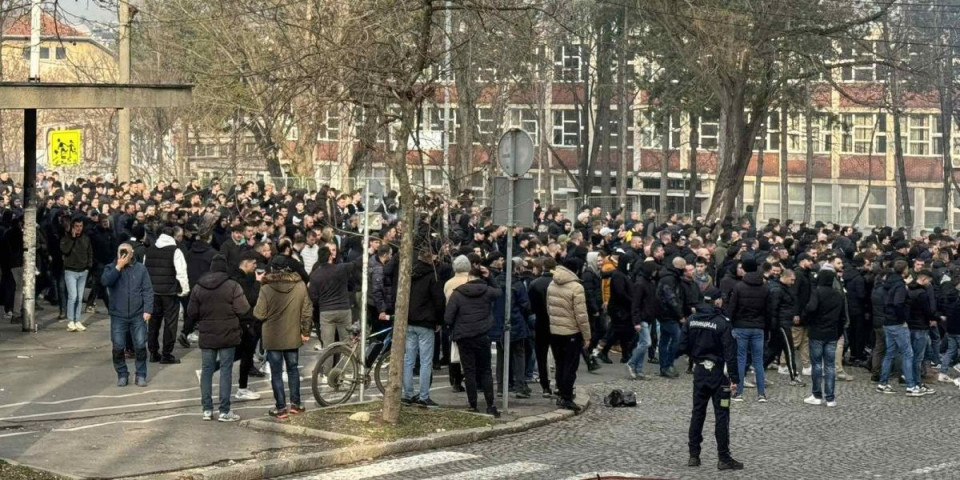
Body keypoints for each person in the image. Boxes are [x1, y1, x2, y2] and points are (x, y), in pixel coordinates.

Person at [678, 287, 742, 471]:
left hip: (699, 372)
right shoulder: (722, 322)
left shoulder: (691, 320)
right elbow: (730, 353)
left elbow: (682, 346)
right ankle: (723, 457)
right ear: (717, 301)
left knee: (698, 412)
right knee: (722, 414)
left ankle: (693, 455)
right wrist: (735, 378)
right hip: (719, 375)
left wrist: (696, 356)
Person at [186, 255, 249, 422]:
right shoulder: (233, 285)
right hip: (228, 333)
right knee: (226, 371)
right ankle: (224, 410)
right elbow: (243, 309)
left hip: (207, 334)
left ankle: (207, 409)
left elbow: (191, 312)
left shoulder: (199, 287)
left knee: (207, 371)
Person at [253, 255, 313, 419]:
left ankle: (280, 407)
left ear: (272, 269)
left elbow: (259, 314)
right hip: (293, 335)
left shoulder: (266, 288)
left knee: (276, 373)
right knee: (293, 370)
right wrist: (305, 332)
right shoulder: (300, 285)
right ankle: (296, 404)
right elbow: (307, 311)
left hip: (272, 336)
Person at [445, 266, 502, 418]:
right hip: (482, 335)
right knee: (485, 370)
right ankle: (490, 405)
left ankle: (473, 405)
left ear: (469, 277)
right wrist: (490, 277)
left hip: (464, 336)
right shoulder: (487, 291)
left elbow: (448, 317)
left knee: (469, 371)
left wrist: (456, 327)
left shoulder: (457, 294)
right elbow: (499, 292)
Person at [101, 243, 153, 387]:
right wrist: (118, 267)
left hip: (138, 314)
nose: (123, 255)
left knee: (140, 345)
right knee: (118, 346)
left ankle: (141, 374)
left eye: (126, 253)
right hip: (118, 314)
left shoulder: (140, 269)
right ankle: (122, 374)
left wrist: (148, 310)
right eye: (121, 252)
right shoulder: (111, 268)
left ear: (132, 254)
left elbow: (147, 290)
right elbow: (105, 281)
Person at [402, 247, 446, 407]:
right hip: (426, 322)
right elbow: (439, 301)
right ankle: (423, 396)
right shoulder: (433, 276)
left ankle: (407, 394)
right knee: (426, 361)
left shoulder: (410, 274)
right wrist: (439, 321)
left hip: (410, 320)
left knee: (408, 360)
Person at [546, 260, 591, 412]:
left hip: (555, 330)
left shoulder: (552, 284)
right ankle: (567, 396)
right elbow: (581, 315)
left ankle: (561, 392)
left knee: (560, 364)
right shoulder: (576, 287)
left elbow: (548, 307)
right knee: (570, 367)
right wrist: (587, 336)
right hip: (571, 331)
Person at [144, 225, 191, 364]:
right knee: (170, 324)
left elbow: (145, 270)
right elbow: (182, 273)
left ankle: (153, 352)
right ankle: (166, 354)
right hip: (169, 292)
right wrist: (184, 290)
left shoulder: (149, 250)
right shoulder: (175, 250)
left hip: (153, 291)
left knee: (153, 323)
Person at [728, 256, 769, 402]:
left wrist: (730, 323)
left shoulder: (739, 286)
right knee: (758, 361)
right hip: (758, 327)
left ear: (744, 269)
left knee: (741, 359)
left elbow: (732, 308)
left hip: (741, 326)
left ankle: (738, 393)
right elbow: (768, 309)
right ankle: (761, 394)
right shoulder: (764, 287)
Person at [878, 260, 922, 396]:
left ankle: (883, 383)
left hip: (887, 321)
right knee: (907, 353)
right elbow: (898, 303)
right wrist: (903, 319)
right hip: (897, 323)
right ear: (904, 270)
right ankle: (911, 385)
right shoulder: (900, 285)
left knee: (890, 353)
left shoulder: (888, 283)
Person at [803, 269, 845, 407]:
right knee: (830, 365)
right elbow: (842, 317)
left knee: (816, 365)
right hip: (832, 333)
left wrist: (807, 320)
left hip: (817, 332)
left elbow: (811, 308)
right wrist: (838, 332)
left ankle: (816, 395)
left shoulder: (817, 292)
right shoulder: (838, 294)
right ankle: (830, 398)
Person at [308, 246, 360, 350]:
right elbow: (356, 263)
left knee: (328, 346)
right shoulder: (341, 269)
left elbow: (313, 296)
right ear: (330, 257)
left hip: (326, 311)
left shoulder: (315, 275)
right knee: (346, 343)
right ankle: (348, 361)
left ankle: (328, 361)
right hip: (343, 309)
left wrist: (322, 303)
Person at [527, 257, 556, 397]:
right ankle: (559, 384)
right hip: (556, 322)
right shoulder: (558, 283)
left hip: (541, 322)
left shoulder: (534, 284)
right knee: (559, 355)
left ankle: (545, 386)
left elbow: (531, 306)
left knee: (541, 356)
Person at [628, 259, 661, 380]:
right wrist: (636, 321)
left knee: (643, 343)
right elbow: (635, 304)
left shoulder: (648, 283)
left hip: (647, 317)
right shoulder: (641, 284)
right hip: (642, 318)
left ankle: (639, 370)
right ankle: (631, 363)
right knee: (646, 343)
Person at [61, 216, 92, 332]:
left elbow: (90, 252)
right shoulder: (66, 238)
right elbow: (65, 250)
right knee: (73, 296)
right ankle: (71, 321)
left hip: (83, 271)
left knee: (79, 297)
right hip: (70, 271)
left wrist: (88, 266)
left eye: (81, 226)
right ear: (72, 227)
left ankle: (77, 320)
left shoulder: (86, 238)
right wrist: (72, 238)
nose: (79, 228)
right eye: (77, 226)